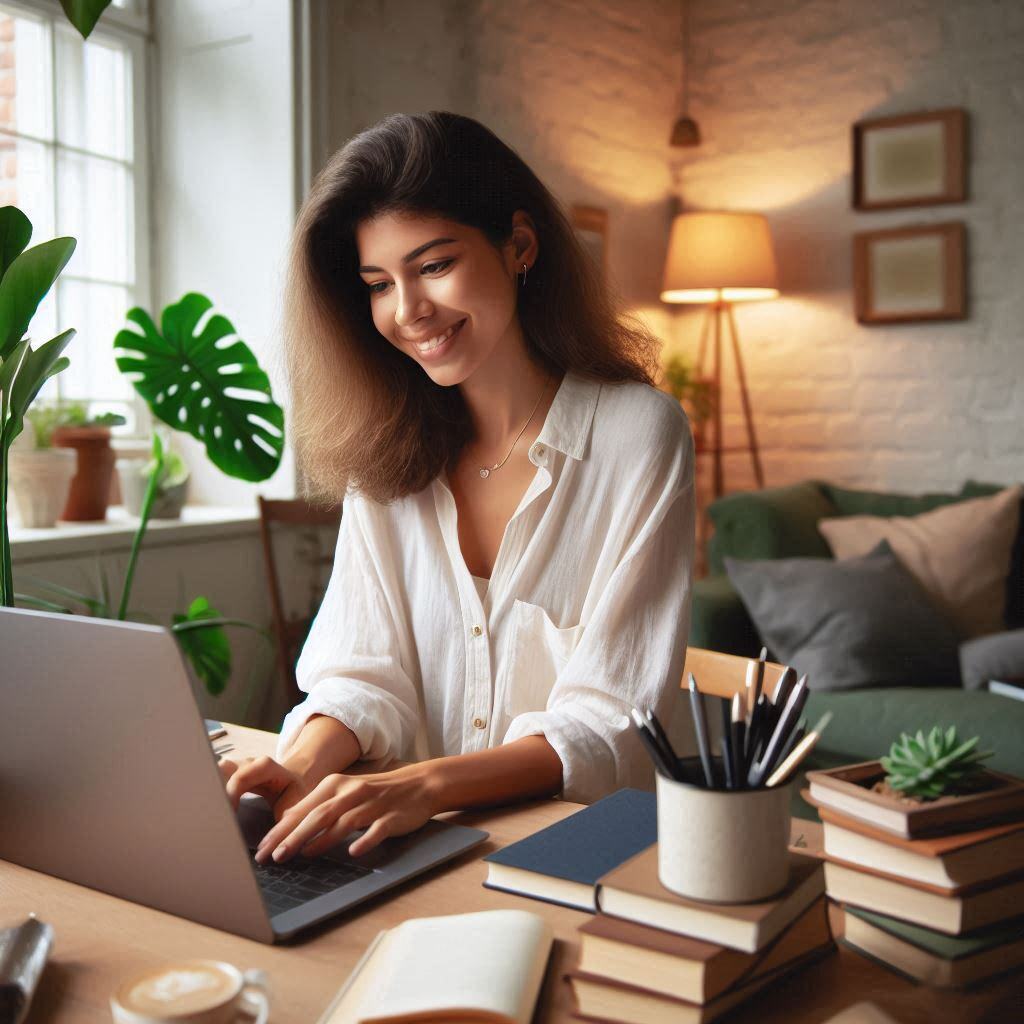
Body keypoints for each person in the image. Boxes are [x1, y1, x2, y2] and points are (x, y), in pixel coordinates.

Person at [220, 111, 695, 865]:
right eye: (379, 283)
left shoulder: (639, 434)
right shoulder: (387, 452)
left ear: (520, 246)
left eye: (434, 265)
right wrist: (300, 763)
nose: (408, 312)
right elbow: (361, 673)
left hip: (579, 854)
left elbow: (610, 721)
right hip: (403, 854)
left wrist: (421, 787)